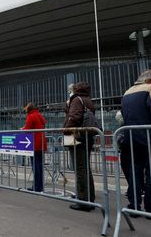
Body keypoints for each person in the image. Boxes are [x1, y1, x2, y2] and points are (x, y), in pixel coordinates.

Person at [121, 69, 151, 218]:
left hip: (131, 138)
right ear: (150, 80)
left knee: (135, 172)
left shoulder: (127, 92)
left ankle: (134, 206)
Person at [63, 82, 96, 211]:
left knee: (80, 169)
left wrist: (65, 129)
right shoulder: (88, 100)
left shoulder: (77, 100)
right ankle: (90, 198)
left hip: (78, 137)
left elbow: (74, 117)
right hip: (87, 136)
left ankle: (83, 200)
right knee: (85, 168)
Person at [22, 102, 47, 192]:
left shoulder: (31, 116)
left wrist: (22, 129)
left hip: (34, 143)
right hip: (41, 142)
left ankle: (36, 187)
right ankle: (40, 186)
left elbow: (28, 129)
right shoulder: (39, 115)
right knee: (40, 165)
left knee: (35, 166)